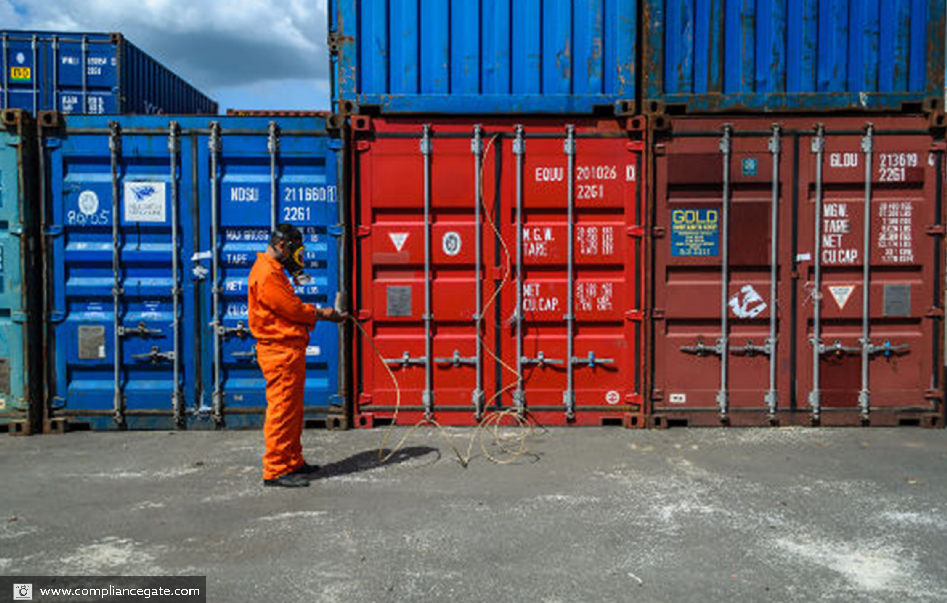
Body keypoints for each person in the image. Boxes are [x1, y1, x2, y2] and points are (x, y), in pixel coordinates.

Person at [248, 223, 345, 488]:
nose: (296, 258)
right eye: (295, 251)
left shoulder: (274, 270)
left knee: (292, 411)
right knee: (282, 411)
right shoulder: (268, 274)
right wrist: (322, 313)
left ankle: (292, 461)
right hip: (279, 352)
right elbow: (292, 309)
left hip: (288, 351)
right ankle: (276, 469)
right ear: (282, 246)